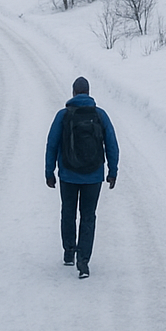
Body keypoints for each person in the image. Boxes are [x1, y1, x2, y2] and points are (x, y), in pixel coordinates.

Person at [45, 76, 119, 278]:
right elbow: (112, 144)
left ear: (73, 92)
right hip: (93, 176)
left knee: (68, 212)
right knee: (88, 216)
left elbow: (52, 144)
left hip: (68, 175)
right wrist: (112, 172)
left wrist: (49, 172)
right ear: (88, 92)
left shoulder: (63, 116)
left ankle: (69, 251)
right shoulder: (100, 115)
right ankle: (83, 262)